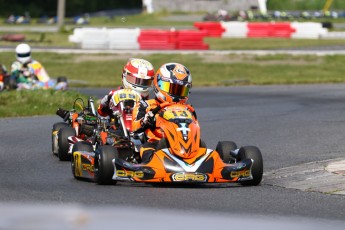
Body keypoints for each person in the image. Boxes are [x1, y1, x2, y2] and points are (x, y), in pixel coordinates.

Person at [132, 62, 194, 163]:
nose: (175, 94)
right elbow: (135, 128)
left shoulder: (187, 109)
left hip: (185, 145)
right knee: (148, 151)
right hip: (155, 145)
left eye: (180, 90)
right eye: (171, 88)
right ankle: (154, 165)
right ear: (158, 84)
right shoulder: (145, 105)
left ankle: (192, 157)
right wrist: (146, 120)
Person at [97, 58, 155, 124]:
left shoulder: (150, 103)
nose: (140, 85)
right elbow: (101, 113)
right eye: (135, 80)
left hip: (140, 129)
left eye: (145, 82)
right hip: (116, 129)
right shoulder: (113, 94)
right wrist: (105, 103)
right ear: (124, 76)